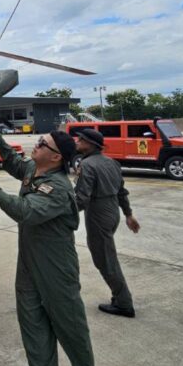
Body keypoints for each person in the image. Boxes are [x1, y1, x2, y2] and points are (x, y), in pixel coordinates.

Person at [0, 124, 99, 366]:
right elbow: (14, 162)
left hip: (56, 265)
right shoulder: (34, 169)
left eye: (42, 143)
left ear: (55, 157)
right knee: (33, 325)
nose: (36, 145)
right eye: (39, 140)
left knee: (70, 327)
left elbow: (24, 211)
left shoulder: (58, 188)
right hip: (28, 261)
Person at [74, 127, 140, 318]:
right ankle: (119, 297)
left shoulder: (87, 165)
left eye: (81, 139)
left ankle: (124, 303)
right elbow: (121, 192)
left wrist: (60, 214)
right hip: (112, 212)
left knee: (105, 260)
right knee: (107, 256)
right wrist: (128, 214)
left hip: (98, 213)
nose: (77, 142)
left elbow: (82, 199)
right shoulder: (112, 162)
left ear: (90, 144)